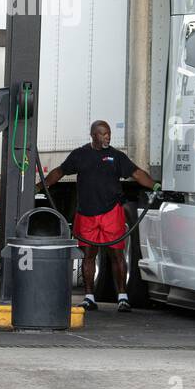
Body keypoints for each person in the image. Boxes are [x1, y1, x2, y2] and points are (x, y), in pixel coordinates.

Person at [40, 120, 156, 312]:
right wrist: (41, 185)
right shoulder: (80, 155)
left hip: (112, 213)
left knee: (117, 255)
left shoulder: (116, 156)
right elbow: (60, 171)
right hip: (86, 214)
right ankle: (89, 297)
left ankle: (122, 297)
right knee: (88, 256)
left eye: (109, 133)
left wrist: (154, 185)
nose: (107, 137)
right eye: (103, 134)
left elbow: (136, 173)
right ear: (93, 135)